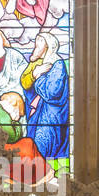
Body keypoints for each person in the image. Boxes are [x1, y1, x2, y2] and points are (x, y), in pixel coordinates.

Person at [21, 31, 69, 159]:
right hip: (38, 114)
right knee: (33, 146)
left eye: (39, 45)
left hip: (51, 116)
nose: (35, 48)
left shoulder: (57, 64)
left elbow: (52, 92)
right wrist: (34, 74)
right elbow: (25, 84)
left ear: (47, 47)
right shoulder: (37, 64)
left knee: (43, 146)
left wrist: (38, 76)